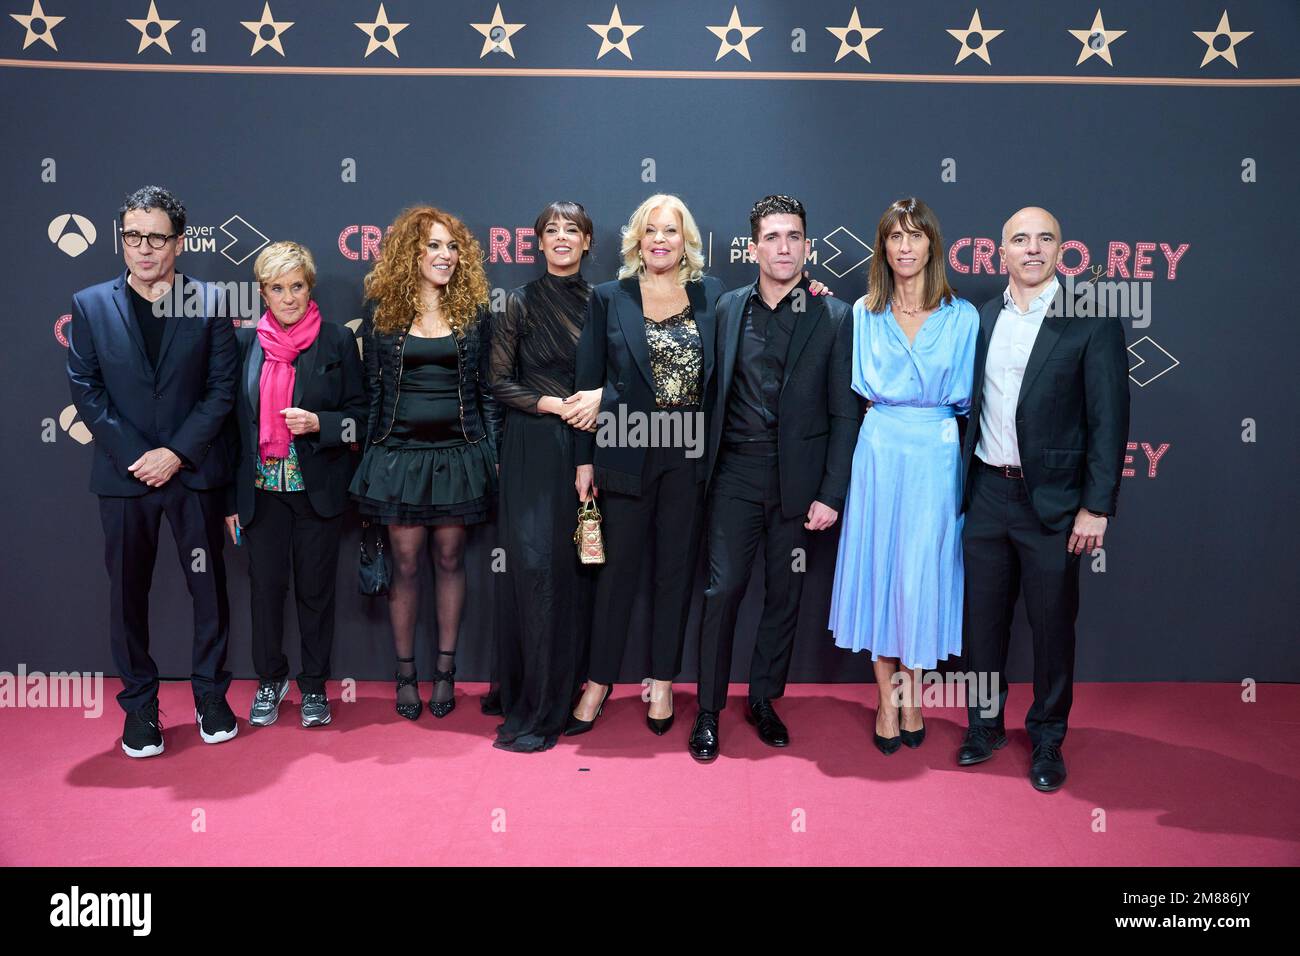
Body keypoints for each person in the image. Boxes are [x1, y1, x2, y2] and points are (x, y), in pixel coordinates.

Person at [958, 206, 1129, 792]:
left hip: (1053, 504)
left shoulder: (1091, 316)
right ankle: (985, 725)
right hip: (984, 492)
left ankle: (1049, 737)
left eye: (1044, 239)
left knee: (1053, 626)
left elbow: (1109, 420)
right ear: (1000, 252)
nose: (1032, 249)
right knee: (982, 624)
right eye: (1019, 240)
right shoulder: (983, 317)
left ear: (1062, 250)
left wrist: (1097, 506)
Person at [66, 185, 238, 757]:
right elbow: (86, 390)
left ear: (179, 242)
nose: (143, 248)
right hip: (124, 476)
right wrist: (139, 456)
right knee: (127, 597)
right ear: (122, 240)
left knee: (208, 591)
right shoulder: (90, 304)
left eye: (156, 237)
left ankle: (210, 697)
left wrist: (176, 454)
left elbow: (221, 391)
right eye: (133, 236)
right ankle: (140, 709)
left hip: (193, 474)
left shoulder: (210, 301)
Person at [688, 195, 858, 762]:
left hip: (798, 485)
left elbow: (843, 413)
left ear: (806, 245)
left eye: (794, 236)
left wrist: (831, 491)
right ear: (754, 246)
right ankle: (708, 710)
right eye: (773, 237)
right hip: (734, 474)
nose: (784, 247)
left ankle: (763, 699)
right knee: (723, 591)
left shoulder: (835, 316)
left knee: (784, 598)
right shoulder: (727, 309)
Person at [567, 193, 724, 737]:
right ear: (637, 238)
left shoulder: (711, 297)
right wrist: (583, 461)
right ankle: (599, 681)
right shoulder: (609, 297)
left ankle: (661, 681)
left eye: (672, 232)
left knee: (675, 573)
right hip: (623, 447)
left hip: (688, 451)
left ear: (687, 242)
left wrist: (811, 291)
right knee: (616, 575)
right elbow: (588, 382)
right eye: (651, 230)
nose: (661, 240)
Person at [828, 197, 978, 755]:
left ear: (932, 245)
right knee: (881, 569)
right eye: (895, 237)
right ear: (883, 247)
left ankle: (914, 696)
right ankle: (887, 703)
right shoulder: (862, 314)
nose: (906, 247)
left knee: (920, 574)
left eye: (916, 236)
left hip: (937, 454)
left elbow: (975, 406)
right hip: (879, 451)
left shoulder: (964, 316)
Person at [350, 206, 499, 721]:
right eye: (433, 246)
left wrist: (493, 456)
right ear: (410, 254)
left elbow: (486, 391)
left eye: (451, 247)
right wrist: (369, 459)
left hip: (459, 454)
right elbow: (373, 391)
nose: (445, 256)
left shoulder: (474, 310)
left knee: (452, 560)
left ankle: (445, 672)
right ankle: (406, 673)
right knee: (407, 563)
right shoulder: (383, 311)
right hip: (398, 456)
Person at [223, 241, 367, 729]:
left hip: (317, 491)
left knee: (315, 592)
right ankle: (270, 680)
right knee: (265, 591)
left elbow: (360, 420)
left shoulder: (335, 342)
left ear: (310, 287)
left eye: (297, 286)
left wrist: (321, 424)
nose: (288, 298)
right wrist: (229, 501)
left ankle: (313, 687)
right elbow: (228, 430)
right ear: (263, 292)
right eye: (277, 288)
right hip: (258, 493)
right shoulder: (244, 345)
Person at [488, 201, 605, 752]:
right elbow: (498, 382)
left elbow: (614, 376)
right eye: (551, 231)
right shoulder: (518, 303)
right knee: (531, 570)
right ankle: (526, 695)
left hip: (586, 451)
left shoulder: (602, 303)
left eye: (572, 231)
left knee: (569, 575)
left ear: (587, 242)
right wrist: (556, 405)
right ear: (537, 243)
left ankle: (560, 693)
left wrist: (589, 421)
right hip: (531, 447)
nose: (562, 238)